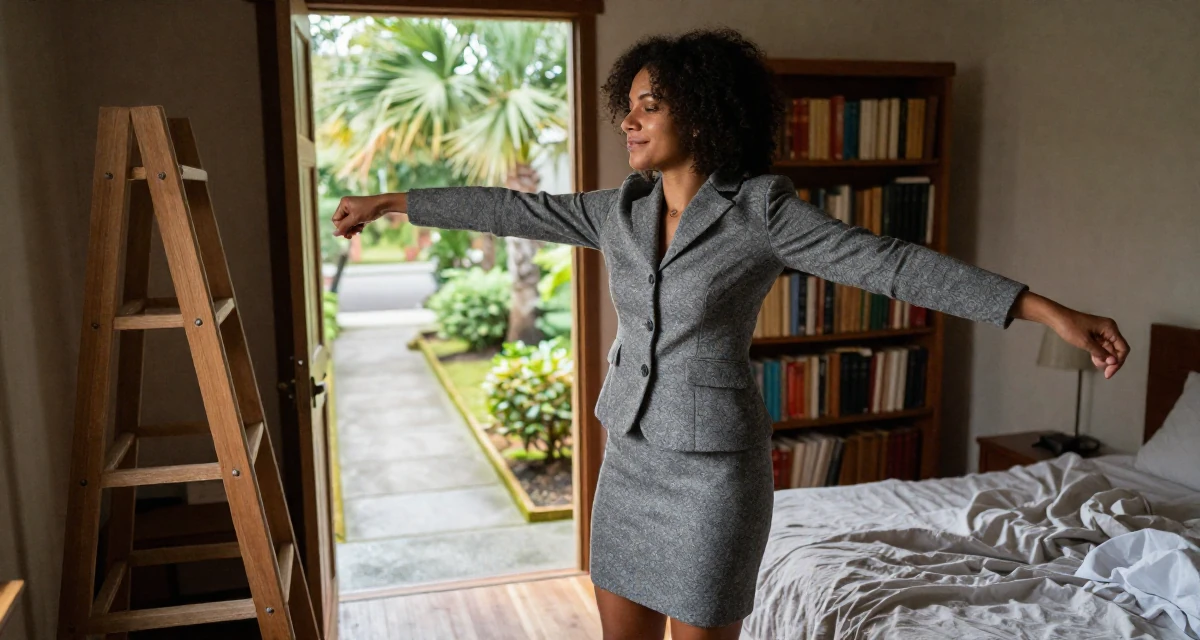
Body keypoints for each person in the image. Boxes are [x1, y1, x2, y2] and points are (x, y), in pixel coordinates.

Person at [331, 27, 1129, 640]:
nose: (629, 119)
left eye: (651, 104)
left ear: (705, 112)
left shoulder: (762, 212)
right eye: (629, 103)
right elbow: (512, 211)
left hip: (715, 473)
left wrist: (1045, 309)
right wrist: (397, 200)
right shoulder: (619, 209)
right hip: (631, 459)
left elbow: (890, 265)